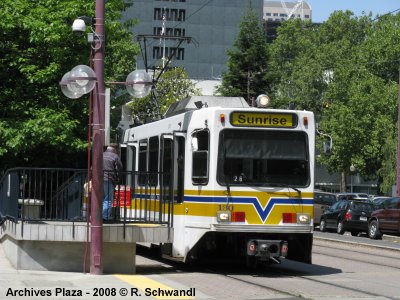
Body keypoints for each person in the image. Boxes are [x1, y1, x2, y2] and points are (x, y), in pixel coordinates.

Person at [103, 143, 123, 221]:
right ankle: (104, 217)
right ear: (115, 149)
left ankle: (97, 217)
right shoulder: (115, 156)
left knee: (101, 199)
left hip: (98, 180)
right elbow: (119, 168)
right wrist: (118, 178)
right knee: (108, 199)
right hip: (108, 179)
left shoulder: (101, 154)